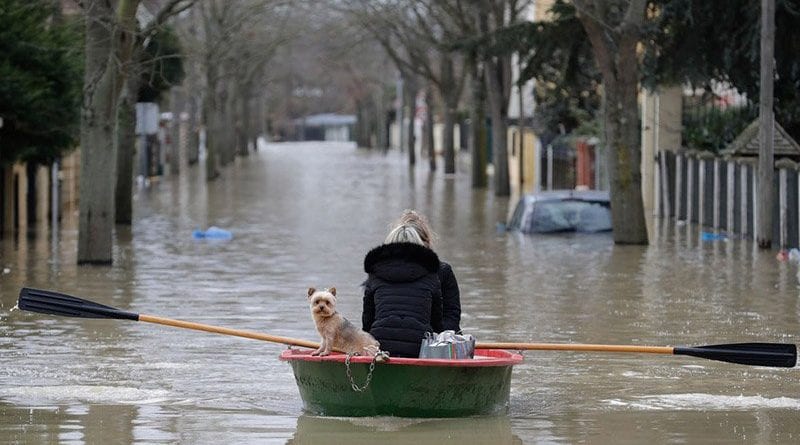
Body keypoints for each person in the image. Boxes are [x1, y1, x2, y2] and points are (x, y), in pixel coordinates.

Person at [362, 210, 461, 358]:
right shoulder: (431, 274)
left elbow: (367, 320)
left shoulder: (375, 273)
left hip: (381, 345)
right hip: (421, 345)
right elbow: (444, 317)